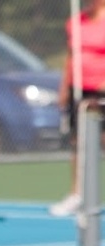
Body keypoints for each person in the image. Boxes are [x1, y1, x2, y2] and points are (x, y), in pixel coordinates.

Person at [50, 0, 105, 217]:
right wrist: (64, 88)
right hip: (79, 90)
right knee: (78, 143)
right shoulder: (75, 22)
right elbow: (71, 57)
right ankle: (77, 194)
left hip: (101, 93)